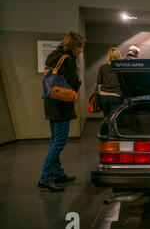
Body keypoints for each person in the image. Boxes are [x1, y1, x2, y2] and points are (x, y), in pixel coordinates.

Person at [39, 31, 85, 192]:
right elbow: (73, 81)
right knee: (60, 141)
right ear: (73, 45)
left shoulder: (53, 55)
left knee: (55, 139)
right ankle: (45, 177)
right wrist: (77, 83)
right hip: (62, 104)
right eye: (80, 47)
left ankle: (57, 173)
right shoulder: (68, 59)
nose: (81, 50)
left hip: (51, 101)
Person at [96, 47, 123, 117]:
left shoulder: (102, 67)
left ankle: (107, 128)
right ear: (118, 56)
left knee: (107, 118)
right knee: (114, 118)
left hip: (104, 95)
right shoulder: (122, 68)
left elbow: (99, 81)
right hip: (116, 95)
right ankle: (113, 128)